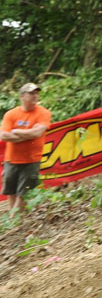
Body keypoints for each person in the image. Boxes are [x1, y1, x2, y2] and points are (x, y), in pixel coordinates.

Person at [1, 83, 51, 215]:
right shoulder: (11, 114)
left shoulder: (43, 113)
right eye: (31, 93)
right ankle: (15, 218)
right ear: (22, 96)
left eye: (36, 93)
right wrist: (28, 134)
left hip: (32, 159)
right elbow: (4, 136)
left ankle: (14, 218)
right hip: (11, 159)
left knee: (23, 193)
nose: (35, 96)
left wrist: (16, 131)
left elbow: (37, 133)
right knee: (10, 191)